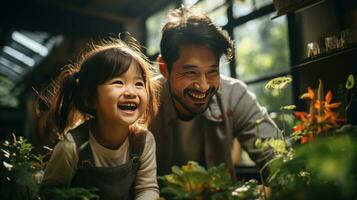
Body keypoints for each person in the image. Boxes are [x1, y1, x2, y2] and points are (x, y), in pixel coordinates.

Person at [150, 7, 279, 178]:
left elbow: (277, 158)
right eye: (190, 72)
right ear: (164, 68)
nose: (203, 86)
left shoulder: (234, 95)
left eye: (212, 71)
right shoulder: (143, 101)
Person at [38, 35, 159, 200]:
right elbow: (50, 192)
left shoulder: (144, 141)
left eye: (138, 84)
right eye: (118, 82)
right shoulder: (71, 147)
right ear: (90, 98)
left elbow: (147, 188)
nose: (131, 92)